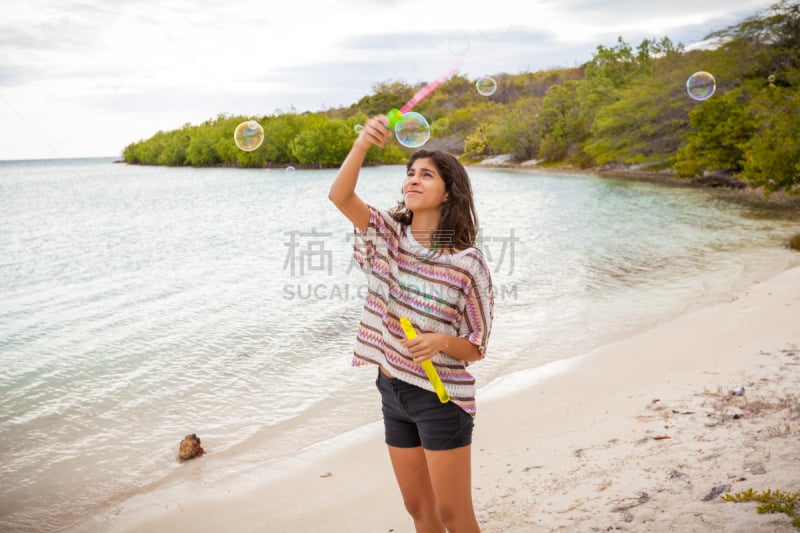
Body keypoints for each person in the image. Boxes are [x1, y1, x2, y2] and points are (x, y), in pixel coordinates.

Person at [328, 115, 494, 533]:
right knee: (419, 509)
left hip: (440, 401)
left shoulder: (467, 262)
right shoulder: (388, 234)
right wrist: (363, 144)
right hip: (392, 389)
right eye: (409, 173)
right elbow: (340, 195)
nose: (412, 180)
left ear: (448, 191)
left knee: (455, 515)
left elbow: (475, 345)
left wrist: (440, 341)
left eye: (426, 175)